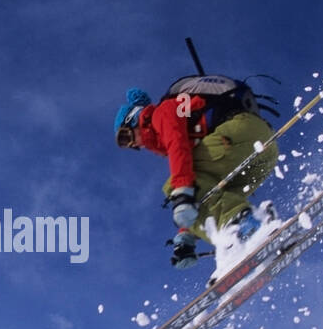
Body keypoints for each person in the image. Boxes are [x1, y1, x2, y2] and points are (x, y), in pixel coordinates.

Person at [114, 85, 278, 268]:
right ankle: (259, 224)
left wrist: (182, 192)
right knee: (211, 193)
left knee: (174, 186)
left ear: (133, 119)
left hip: (243, 134)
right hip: (261, 153)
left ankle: (244, 227)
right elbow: (206, 196)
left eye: (125, 137)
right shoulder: (175, 116)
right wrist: (188, 235)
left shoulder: (161, 113)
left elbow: (178, 145)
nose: (135, 145)